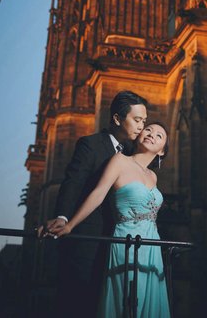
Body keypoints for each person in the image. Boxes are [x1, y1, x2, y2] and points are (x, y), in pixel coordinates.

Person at [38, 90, 148, 316]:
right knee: (80, 304)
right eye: (137, 120)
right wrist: (63, 217)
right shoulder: (90, 144)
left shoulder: (133, 153)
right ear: (117, 118)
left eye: (144, 121)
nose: (141, 127)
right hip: (88, 242)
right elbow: (73, 182)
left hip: (119, 243)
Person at [49, 122, 171, 318]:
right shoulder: (120, 160)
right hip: (127, 240)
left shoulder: (153, 176)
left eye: (159, 135)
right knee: (127, 300)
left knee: (148, 304)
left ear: (162, 152)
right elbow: (98, 194)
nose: (151, 134)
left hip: (152, 245)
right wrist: (70, 224)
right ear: (139, 135)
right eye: (148, 129)